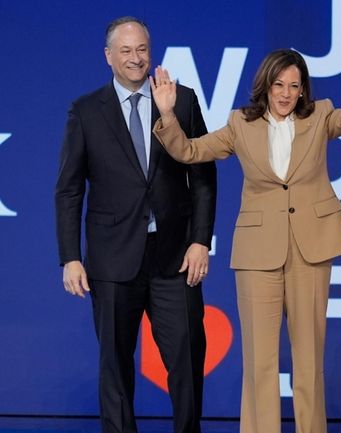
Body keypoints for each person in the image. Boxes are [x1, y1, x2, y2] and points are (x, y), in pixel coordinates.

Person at [150, 19, 341, 433]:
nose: (287, 94)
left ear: (303, 90)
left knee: (309, 360)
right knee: (259, 361)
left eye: (294, 86)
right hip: (259, 254)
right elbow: (189, 151)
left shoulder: (322, 117)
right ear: (266, 85)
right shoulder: (241, 124)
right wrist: (167, 115)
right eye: (280, 85)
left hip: (311, 249)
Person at [54, 17, 216, 433]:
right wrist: (70, 257)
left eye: (142, 49)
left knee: (186, 357)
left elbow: (203, 179)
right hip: (111, 260)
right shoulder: (86, 111)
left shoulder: (182, 101)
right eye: (125, 51)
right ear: (108, 57)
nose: (135, 58)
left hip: (174, 257)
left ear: (151, 50)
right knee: (115, 366)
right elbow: (69, 190)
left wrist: (200, 241)